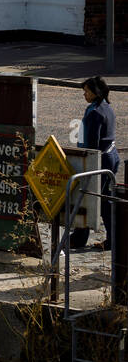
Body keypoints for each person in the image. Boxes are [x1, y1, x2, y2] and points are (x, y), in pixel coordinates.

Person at [70, 75, 120, 250]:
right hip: (111, 156)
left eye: (87, 91)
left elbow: (92, 145)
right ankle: (113, 238)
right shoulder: (107, 108)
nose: (84, 94)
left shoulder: (95, 113)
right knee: (104, 200)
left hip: (101, 160)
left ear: (95, 93)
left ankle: (80, 238)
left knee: (88, 197)